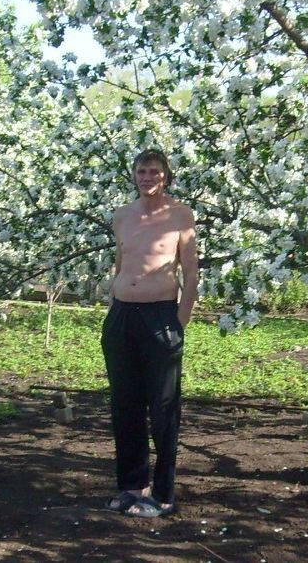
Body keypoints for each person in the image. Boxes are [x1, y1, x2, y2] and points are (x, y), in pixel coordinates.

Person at [101, 149, 198, 518]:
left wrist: (179, 323)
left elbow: (191, 274)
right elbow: (122, 263)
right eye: (141, 171)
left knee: (163, 409)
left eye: (154, 172)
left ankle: (163, 494)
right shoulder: (122, 215)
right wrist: (114, 304)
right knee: (124, 406)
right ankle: (131, 486)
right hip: (122, 316)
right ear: (134, 176)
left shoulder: (180, 215)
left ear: (166, 176)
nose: (147, 177)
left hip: (161, 318)